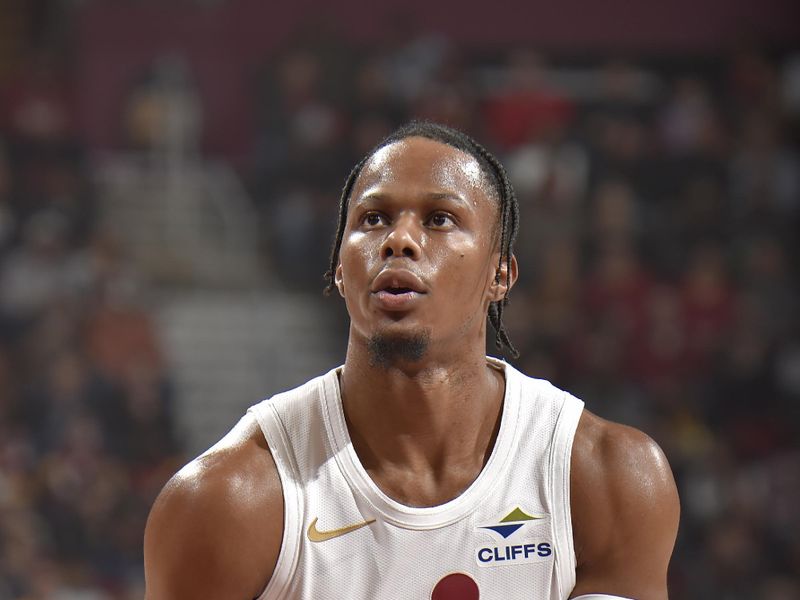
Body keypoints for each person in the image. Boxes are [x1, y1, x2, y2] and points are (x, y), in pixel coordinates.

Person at [143, 122, 679, 599]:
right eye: (373, 219)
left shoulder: (608, 479)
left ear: (501, 275)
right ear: (338, 268)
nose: (399, 240)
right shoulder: (227, 502)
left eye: (440, 219)